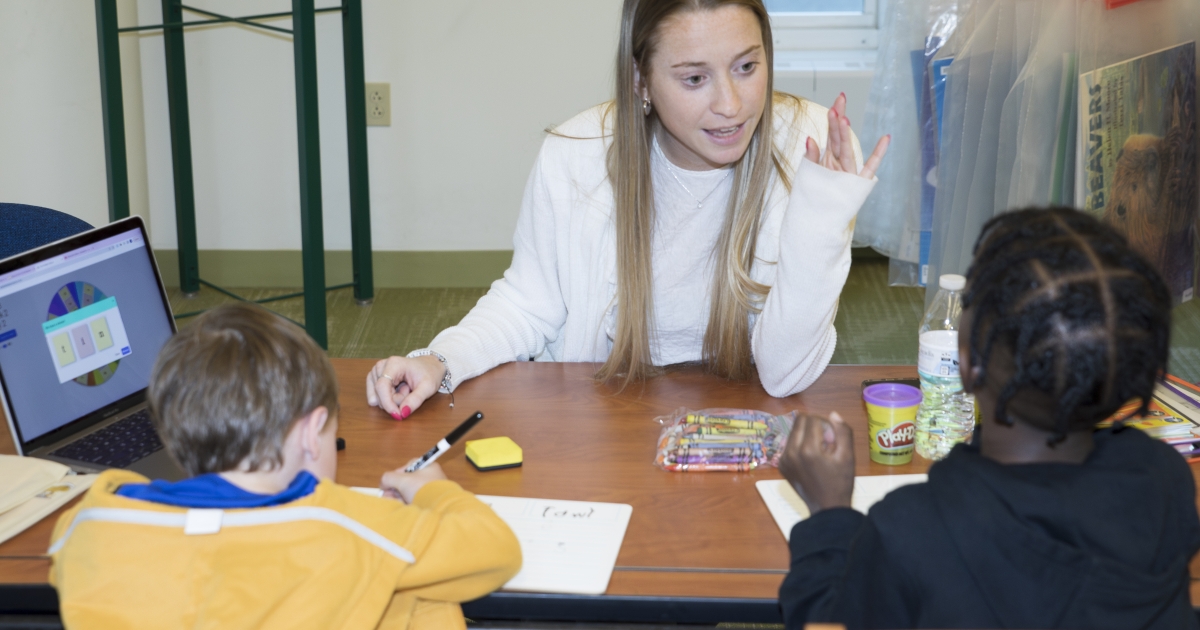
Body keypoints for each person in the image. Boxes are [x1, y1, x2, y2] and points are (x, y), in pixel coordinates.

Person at [366, 0, 891, 420]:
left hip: (739, 416)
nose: (730, 104)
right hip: (599, 413)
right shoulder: (577, 152)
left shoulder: (810, 144)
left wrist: (822, 219)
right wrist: (439, 360)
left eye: (747, 67)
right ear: (641, 80)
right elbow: (529, 303)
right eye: (693, 79)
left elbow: (782, 374)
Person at [777, 207, 1200, 629]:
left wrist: (828, 513)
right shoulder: (1164, 480)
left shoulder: (913, 532)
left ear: (966, 362)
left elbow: (828, 620)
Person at [48, 303, 521, 630]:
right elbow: (496, 552)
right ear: (309, 432)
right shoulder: (351, 528)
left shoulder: (91, 522)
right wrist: (434, 492)